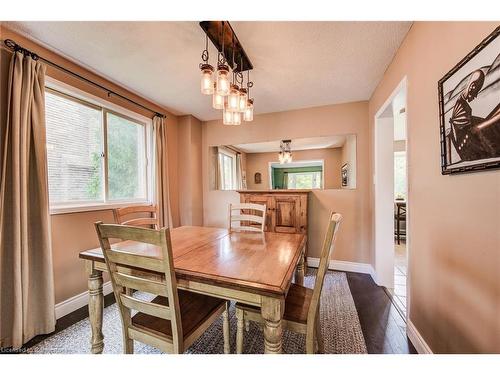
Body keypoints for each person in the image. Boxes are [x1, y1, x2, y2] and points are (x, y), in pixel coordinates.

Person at [448, 69, 500, 162]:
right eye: (477, 89)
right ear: (472, 86)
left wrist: (479, 127)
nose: (475, 95)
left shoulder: (461, 105)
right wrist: (478, 127)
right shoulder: (461, 106)